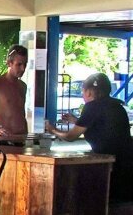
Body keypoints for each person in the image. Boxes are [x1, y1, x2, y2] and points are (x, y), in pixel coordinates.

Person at [45, 73, 133, 202]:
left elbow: (71, 137)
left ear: (89, 92)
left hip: (112, 164)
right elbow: (99, 124)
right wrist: (76, 121)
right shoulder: (116, 106)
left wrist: (52, 129)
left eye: (83, 91)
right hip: (127, 161)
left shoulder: (92, 107)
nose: (83, 95)